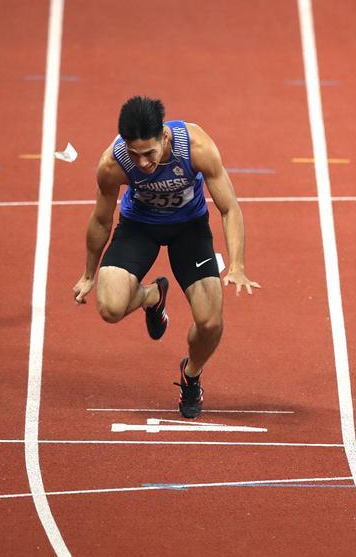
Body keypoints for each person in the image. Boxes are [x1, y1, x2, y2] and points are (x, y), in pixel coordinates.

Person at [73, 96, 260, 418]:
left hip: (189, 229)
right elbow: (102, 219)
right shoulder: (113, 163)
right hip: (138, 227)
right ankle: (151, 296)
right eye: (135, 154)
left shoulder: (197, 146)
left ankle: (191, 374)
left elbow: (229, 208)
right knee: (110, 308)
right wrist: (90, 273)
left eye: (149, 153)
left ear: (165, 137)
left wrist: (238, 265)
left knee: (210, 321)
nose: (142, 163)